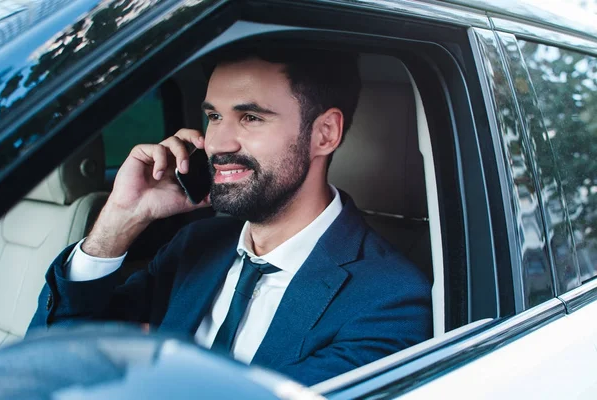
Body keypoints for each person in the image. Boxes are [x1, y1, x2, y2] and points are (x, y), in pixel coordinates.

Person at [29, 47, 432, 386]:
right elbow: (50, 364)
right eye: (214, 116)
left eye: (251, 117)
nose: (216, 142)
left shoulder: (389, 299)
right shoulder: (194, 246)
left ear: (324, 133)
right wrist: (121, 219)